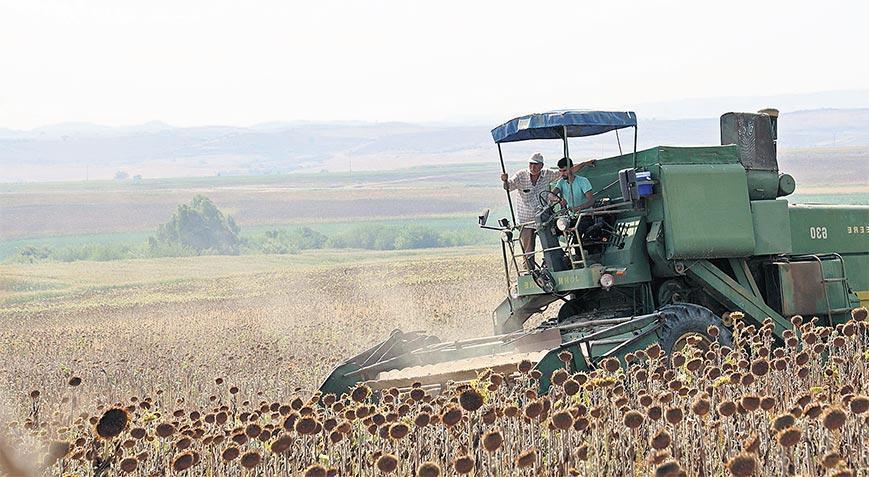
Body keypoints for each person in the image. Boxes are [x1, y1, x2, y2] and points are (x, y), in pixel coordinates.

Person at [500, 153, 595, 269]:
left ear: (541, 166)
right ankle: (530, 273)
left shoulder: (549, 175)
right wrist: (505, 181)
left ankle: (559, 266)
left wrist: (585, 163)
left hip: (545, 219)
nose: (532, 167)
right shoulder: (520, 176)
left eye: (536, 165)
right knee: (528, 250)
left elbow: (569, 171)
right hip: (527, 221)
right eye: (531, 164)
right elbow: (508, 187)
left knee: (551, 245)